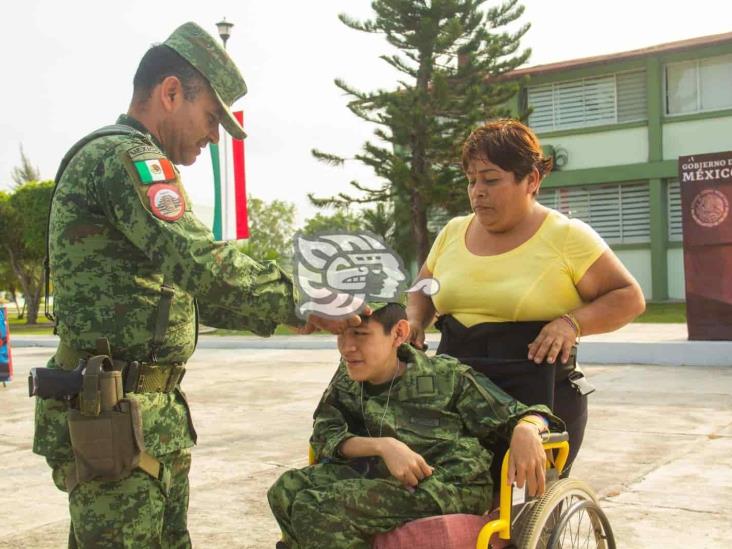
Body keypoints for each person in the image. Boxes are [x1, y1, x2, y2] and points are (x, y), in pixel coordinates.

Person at [33, 22, 361, 548]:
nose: (213, 137)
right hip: (115, 414)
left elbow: (180, 289)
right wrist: (300, 299)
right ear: (169, 93)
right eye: (211, 118)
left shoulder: (129, 160)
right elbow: (197, 263)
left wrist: (291, 313)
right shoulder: (129, 160)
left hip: (141, 415)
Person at [407, 119, 646, 474]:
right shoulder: (453, 232)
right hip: (455, 394)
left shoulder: (566, 236)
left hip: (536, 399)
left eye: (490, 179)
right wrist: (414, 321)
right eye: (472, 180)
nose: (477, 191)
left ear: (531, 180)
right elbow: (422, 289)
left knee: (512, 514)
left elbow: (629, 297)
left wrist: (571, 323)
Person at [268, 303, 563, 549]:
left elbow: (521, 413)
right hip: (380, 474)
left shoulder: (446, 376)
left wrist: (526, 428)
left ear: (398, 334)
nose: (347, 348)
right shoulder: (348, 377)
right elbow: (324, 432)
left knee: (320, 508)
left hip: (447, 482)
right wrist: (384, 446)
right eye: (342, 335)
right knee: (285, 490)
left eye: (360, 334)